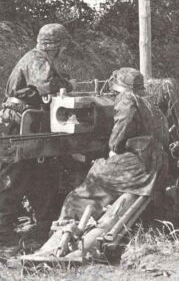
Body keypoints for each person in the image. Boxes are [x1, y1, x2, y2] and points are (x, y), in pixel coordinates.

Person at [57, 67, 169, 224]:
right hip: (155, 162)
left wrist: (112, 149)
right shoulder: (150, 101)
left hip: (137, 167)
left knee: (82, 190)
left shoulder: (127, 99)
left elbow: (120, 132)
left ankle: (68, 224)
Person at [0, 23, 75, 253]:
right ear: (56, 46)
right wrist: (67, 84)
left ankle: (43, 225)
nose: (63, 50)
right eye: (62, 46)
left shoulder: (39, 59)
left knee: (41, 174)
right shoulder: (37, 60)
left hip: (29, 122)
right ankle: (3, 234)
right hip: (18, 124)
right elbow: (47, 85)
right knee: (15, 174)